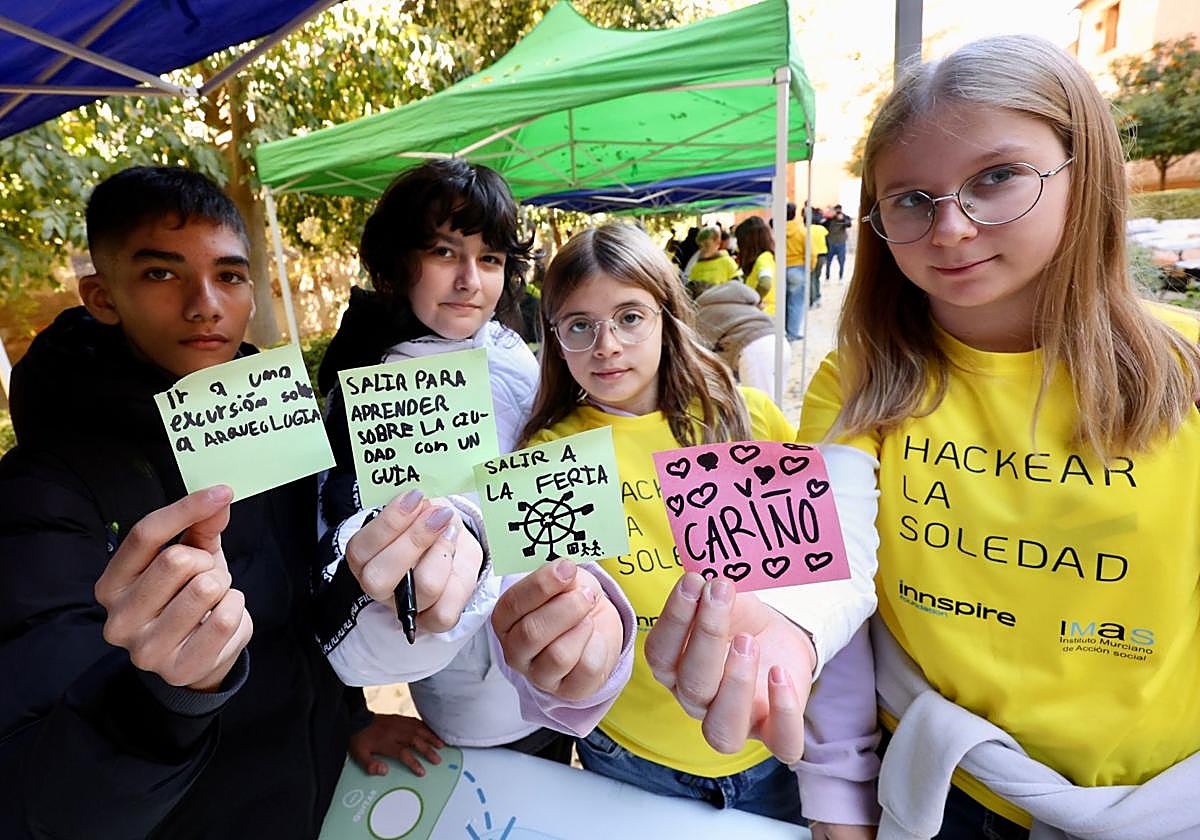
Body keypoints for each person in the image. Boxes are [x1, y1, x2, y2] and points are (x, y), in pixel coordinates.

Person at [813, 34, 1198, 838]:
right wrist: (837, 797)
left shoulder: (1187, 370)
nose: (950, 228)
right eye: (910, 198)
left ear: (1085, 171)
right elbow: (820, 588)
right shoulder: (852, 378)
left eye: (996, 177)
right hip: (941, 794)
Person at [0, 166, 446, 838]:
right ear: (101, 296)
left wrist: (350, 714)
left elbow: (302, 602)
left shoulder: (273, 421)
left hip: (319, 794)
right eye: (161, 273)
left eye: (230, 275)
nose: (204, 304)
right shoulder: (43, 489)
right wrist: (165, 698)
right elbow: (40, 801)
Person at [496, 222, 881, 832]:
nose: (606, 345)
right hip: (630, 754)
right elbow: (545, 643)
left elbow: (824, 593)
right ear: (556, 339)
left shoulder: (750, 419)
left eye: (629, 317)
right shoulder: (547, 455)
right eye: (579, 326)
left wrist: (836, 769)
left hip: (770, 744)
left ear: (667, 314)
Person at [316, 159, 632, 765]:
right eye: (444, 252)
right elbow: (346, 581)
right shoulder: (366, 388)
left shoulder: (514, 351)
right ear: (397, 262)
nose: (469, 280)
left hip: (573, 673)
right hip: (472, 702)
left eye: (489, 258)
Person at [694, 280, 791, 397]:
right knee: (774, 400)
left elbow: (699, 349)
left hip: (754, 350)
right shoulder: (735, 299)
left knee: (757, 403)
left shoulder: (703, 310)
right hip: (779, 341)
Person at [734, 215, 777, 315]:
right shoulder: (765, 257)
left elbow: (765, 283)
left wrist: (754, 302)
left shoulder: (763, 258)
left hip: (764, 314)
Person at [684, 226, 741, 296]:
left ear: (717, 242)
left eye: (707, 245)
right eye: (701, 246)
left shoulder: (727, 262)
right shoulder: (696, 266)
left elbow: (738, 288)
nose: (703, 249)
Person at [784, 202, 808, 341]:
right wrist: (810, 267)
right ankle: (792, 332)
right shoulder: (801, 230)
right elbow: (810, 252)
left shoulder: (777, 230)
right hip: (797, 268)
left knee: (782, 301)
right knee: (796, 302)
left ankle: (783, 330)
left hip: (780, 267)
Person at [823, 205, 852, 282]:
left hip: (841, 243)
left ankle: (841, 276)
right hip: (831, 243)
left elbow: (849, 224)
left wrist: (843, 219)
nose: (838, 212)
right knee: (828, 261)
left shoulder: (845, 217)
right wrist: (829, 215)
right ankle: (827, 276)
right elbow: (823, 223)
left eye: (839, 210)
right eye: (836, 210)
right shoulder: (830, 219)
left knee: (841, 261)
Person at [808, 208, 829, 307]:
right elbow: (827, 241)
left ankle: (812, 300)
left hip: (812, 256)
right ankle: (818, 297)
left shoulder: (807, 229)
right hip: (822, 255)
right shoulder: (822, 229)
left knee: (811, 277)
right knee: (817, 277)